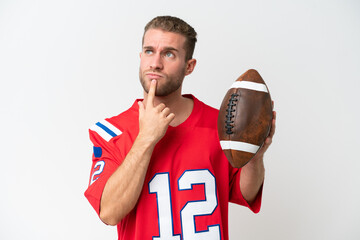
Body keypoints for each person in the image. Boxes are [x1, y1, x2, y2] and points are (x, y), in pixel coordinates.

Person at [85, 15, 276, 240]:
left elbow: (245, 193)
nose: (155, 63)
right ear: (140, 57)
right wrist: (146, 138)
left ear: (189, 66)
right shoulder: (112, 131)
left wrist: (255, 156)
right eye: (149, 51)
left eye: (168, 54)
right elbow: (109, 213)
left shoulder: (220, 125)